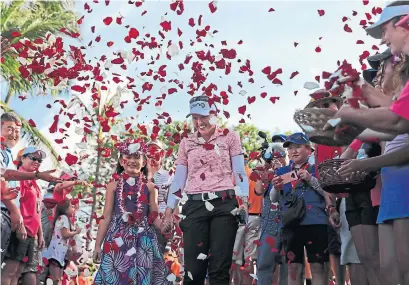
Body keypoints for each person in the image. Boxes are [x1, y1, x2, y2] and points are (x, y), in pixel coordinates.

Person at [162, 95, 249, 285]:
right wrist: (169, 211)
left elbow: (240, 171)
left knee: (219, 269)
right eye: (194, 118)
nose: (199, 122)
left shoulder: (230, 137)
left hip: (225, 204)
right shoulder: (187, 142)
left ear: (215, 114)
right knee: (194, 271)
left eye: (203, 116)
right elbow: (179, 179)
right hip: (194, 205)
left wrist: (244, 202)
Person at [92, 139, 172, 284]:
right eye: (128, 157)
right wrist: (98, 245)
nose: (132, 161)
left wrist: (163, 226)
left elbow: (153, 216)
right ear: (122, 161)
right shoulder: (113, 186)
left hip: (143, 238)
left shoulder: (150, 187)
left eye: (137, 157)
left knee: (141, 276)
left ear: (144, 161)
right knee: (116, 278)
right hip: (117, 237)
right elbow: (106, 217)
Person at [273, 133, 333, 285]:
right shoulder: (282, 171)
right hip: (291, 223)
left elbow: (328, 192)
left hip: (316, 221)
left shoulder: (317, 169)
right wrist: (275, 188)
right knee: (293, 269)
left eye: (298, 147)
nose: (294, 151)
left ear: (309, 150)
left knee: (318, 266)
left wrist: (310, 179)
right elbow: (274, 198)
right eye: (290, 148)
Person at [1, 147, 46, 285]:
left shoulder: (36, 184)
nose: (37, 162)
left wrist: (40, 234)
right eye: (33, 158)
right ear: (22, 158)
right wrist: (20, 226)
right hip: (21, 228)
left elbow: (37, 211)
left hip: (32, 233)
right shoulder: (18, 177)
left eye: (40, 160)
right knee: (10, 270)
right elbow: (15, 203)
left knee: (18, 272)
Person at [254, 143, 288, 285]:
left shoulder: (290, 171)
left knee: (287, 266)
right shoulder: (268, 175)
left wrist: (280, 171)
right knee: (264, 265)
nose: (272, 162)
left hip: (286, 224)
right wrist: (263, 172)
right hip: (268, 226)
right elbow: (258, 191)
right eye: (270, 159)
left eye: (276, 157)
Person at [231, 153, 262, 285]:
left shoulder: (233, 176)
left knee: (233, 258)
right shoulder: (255, 175)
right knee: (249, 258)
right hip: (255, 218)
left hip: (238, 218)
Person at [42, 198, 81, 285]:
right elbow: (65, 234)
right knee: (56, 280)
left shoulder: (65, 219)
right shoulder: (63, 218)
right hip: (56, 253)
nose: (73, 208)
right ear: (65, 209)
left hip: (59, 254)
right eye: (71, 206)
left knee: (58, 279)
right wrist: (76, 232)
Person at [146, 140, 173, 254]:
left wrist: (171, 223)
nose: (152, 154)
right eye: (149, 151)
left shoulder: (169, 176)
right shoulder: (139, 175)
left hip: (160, 223)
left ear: (162, 154)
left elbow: (173, 203)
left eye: (155, 150)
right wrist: (148, 172)